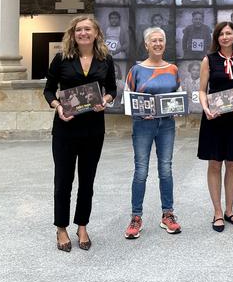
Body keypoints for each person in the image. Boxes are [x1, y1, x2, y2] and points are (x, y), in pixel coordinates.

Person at [43, 16, 117, 252]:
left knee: (87, 181)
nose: (83, 33)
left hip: (93, 129)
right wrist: (58, 106)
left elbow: (112, 89)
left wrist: (105, 100)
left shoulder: (105, 59)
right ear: (73, 34)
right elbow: (48, 90)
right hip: (66, 127)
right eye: (78, 30)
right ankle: (61, 227)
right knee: (63, 181)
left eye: (87, 29)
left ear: (96, 33)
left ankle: (82, 225)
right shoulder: (62, 58)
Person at [123, 27, 182, 239]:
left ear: (164, 44)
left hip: (166, 125)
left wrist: (175, 109)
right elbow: (127, 99)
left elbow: (177, 95)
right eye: (153, 41)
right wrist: (139, 112)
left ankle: (168, 215)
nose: (157, 44)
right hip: (143, 126)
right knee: (141, 170)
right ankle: (136, 217)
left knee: (166, 169)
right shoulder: (136, 70)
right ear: (146, 45)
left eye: (160, 41)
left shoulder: (173, 69)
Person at [197, 22, 233, 232]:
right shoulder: (208, 60)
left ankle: (230, 210)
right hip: (214, 117)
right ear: (217, 38)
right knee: (214, 163)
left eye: (229, 33)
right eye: (221, 34)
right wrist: (206, 108)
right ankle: (217, 212)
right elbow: (202, 90)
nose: (225, 37)